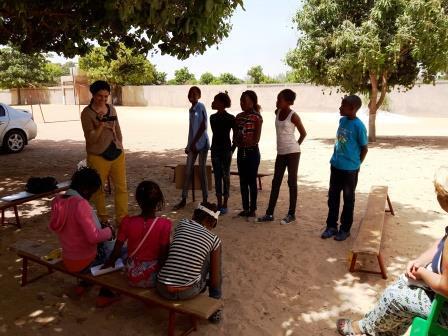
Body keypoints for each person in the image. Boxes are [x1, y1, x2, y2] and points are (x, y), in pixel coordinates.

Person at [336, 167, 448, 336]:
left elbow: (445, 286)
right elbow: (442, 239)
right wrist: (420, 261)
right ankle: (383, 333)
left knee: (395, 296)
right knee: (402, 282)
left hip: (444, 306)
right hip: (438, 291)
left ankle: (362, 328)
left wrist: (423, 273)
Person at [49, 167, 119, 307]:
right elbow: (93, 237)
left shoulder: (58, 201)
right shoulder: (81, 204)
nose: (91, 197)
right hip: (84, 262)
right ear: (86, 190)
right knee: (117, 253)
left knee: (100, 247)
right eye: (92, 193)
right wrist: (109, 231)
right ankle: (106, 294)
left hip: (69, 258)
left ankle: (84, 283)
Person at [156, 202, 222, 323]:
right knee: (215, 266)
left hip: (162, 287)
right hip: (187, 292)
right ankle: (215, 308)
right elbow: (214, 281)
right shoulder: (214, 239)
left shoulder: (183, 223)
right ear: (212, 222)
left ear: (194, 215)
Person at [103, 181, 172, 288]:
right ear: (158, 201)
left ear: (138, 201)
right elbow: (163, 256)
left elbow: (116, 251)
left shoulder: (127, 222)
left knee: (122, 251)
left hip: (132, 275)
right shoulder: (165, 224)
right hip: (151, 277)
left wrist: (109, 263)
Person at [80, 80, 128, 226]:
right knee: (98, 189)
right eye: (100, 96)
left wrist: (120, 144)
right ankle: (104, 219)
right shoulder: (87, 113)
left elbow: (117, 128)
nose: (103, 99)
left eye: (106, 96)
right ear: (93, 95)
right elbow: (91, 138)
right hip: (97, 155)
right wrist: (100, 125)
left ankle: (122, 218)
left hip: (116, 154)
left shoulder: (111, 109)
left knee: (121, 188)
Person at [321, 95, 368, 241]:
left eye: (343, 105)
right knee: (333, 197)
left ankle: (345, 229)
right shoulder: (342, 120)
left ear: (353, 108)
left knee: (348, 200)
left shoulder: (359, 126)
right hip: (335, 166)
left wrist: (356, 164)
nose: (340, 107)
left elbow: (364, 148)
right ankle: (331, 226)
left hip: (349, 170)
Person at [257, 89, 307, 225]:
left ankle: (291, 214)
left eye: (280, 100)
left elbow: (303, 133)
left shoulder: (293, 116)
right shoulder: (277, 112)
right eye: (277, 99)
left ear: (289, 102)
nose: (277, 102)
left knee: (292, 182)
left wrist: (295, 146)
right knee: (276, 182)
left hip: (293, 153)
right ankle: (269, 213)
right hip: (280, 153)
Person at [173, 86, 210, 210]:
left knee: (201, 171)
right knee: (188, 171)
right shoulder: (191, 110)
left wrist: (193, 143)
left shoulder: (200, 106)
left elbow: (203, 126)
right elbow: (191, 130)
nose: (192, 96)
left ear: (199, 96)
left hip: (202, 144)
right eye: (190, 94)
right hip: (193, 144)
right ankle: (183, 198)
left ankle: (205, 199)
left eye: (195, 94)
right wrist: (189, 145)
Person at [234, 90, 263, 218]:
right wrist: (237, 141)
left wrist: (244, 141)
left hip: (252, 153)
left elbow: (256, 139)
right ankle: (245, 208)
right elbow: (234, 136)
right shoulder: (238, 117)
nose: (241, 103)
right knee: (243, 181)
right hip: (241, 152)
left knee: (251, 181)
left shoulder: (257, 117)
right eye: (240, 101)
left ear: (252, 102)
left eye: (244, 101)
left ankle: (252, 209)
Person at [210, 91, 236, 215]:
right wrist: (231, 149)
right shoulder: (214, 118)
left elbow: (235, 137)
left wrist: (231, 150)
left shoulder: (226, 118)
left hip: (221, 149)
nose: (213, 102)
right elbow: (234, 137)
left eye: (215, 100)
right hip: (220, 149)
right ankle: (220, 203)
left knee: (223, 176)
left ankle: (223, 203)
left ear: (221, 103)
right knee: (220, 176)